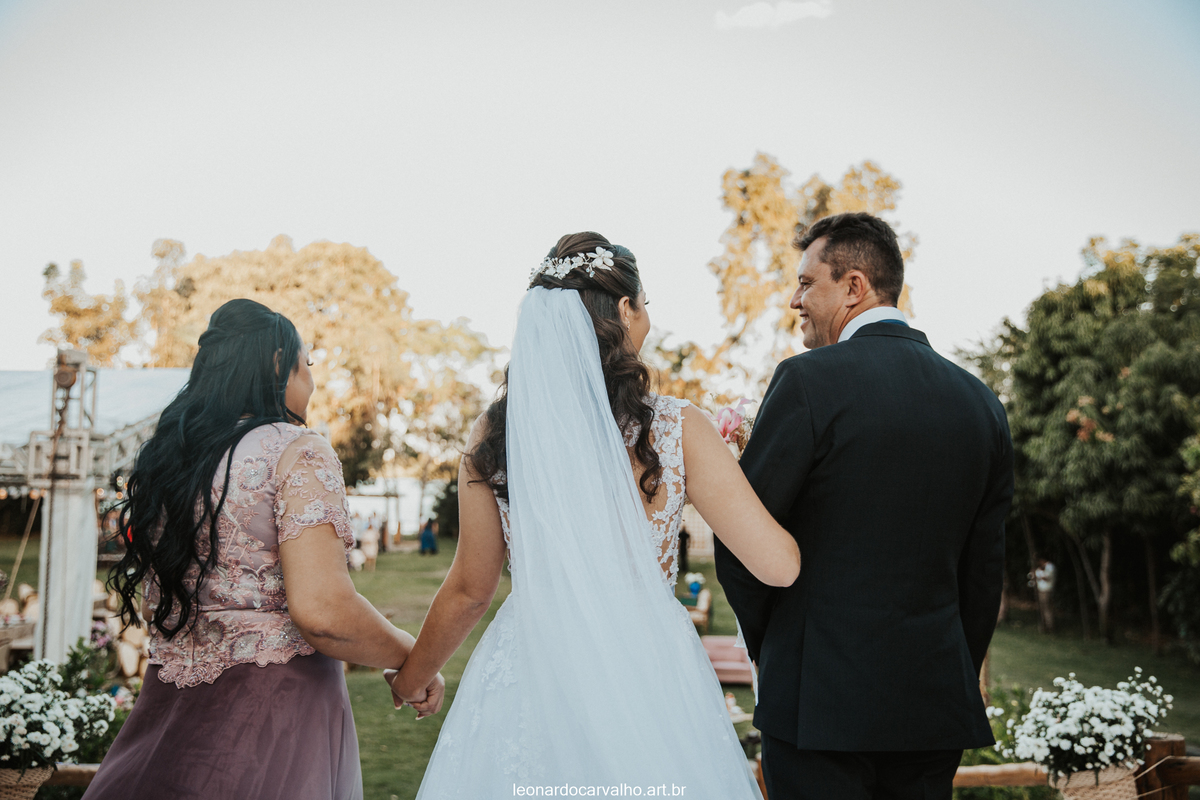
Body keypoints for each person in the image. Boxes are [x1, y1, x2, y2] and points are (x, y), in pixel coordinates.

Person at [386, 233, 800, 797]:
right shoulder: (679, 429)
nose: (648, 317)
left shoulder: (499, 433)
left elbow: (470, 590)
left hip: (536, 668)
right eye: (645, 303)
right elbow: (778, 565)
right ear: (625, 310)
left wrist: (412, 679)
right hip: (646, 670)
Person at [85, 299, 442, 800]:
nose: (312, 381)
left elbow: (152, 604)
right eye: (307, 364)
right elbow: (323, 612)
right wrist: (413, 659)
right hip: (275, 714)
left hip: (171, 709)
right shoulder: (296, 450)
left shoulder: (173, 459)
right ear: (278, 365)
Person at [715, 212, 1013, 800]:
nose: (795, 300)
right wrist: (949, 669)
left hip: (817, 708)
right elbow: (984, 575)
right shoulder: (981, 403)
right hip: (931, 711)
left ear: (854, 286)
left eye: (806, 283)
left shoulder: (806, 382)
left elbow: (741, 543)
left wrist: (778, 654)